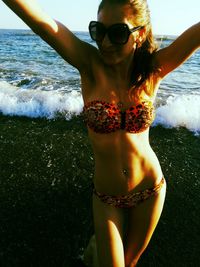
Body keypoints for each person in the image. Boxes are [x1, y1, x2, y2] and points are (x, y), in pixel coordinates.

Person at [2, 0, 200, 266]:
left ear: (139, 33)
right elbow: (43, 25)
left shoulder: (153, 70)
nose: (105, 42)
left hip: (151, 190)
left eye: (118, 33)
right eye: (99, 31)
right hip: (107, 199)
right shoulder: (89, 65)